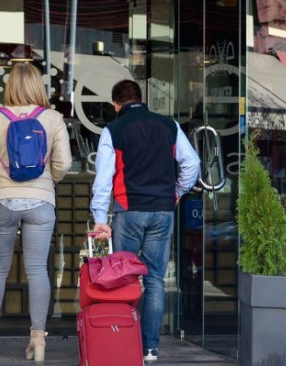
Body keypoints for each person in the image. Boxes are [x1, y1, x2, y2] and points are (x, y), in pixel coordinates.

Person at [90, 80, 200, 362]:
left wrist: (100, 219)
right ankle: (150, 348)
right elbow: (192, 164)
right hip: (163, 211)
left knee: (123, 279)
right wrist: (175, 192)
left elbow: (103, 179)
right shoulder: (169, 126)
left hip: (129, 209)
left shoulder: (114, 130)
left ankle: (125, 340)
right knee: (154, 279)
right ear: (142, 98)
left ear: (116, 104)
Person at [0, 62, 72, 362]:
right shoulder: (53, 119)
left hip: (3, 200)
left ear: (10, 86)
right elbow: (64, 165)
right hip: (41, 202)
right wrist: (48, 180)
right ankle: (37, 340)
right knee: (38, 269)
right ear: (39, 86)